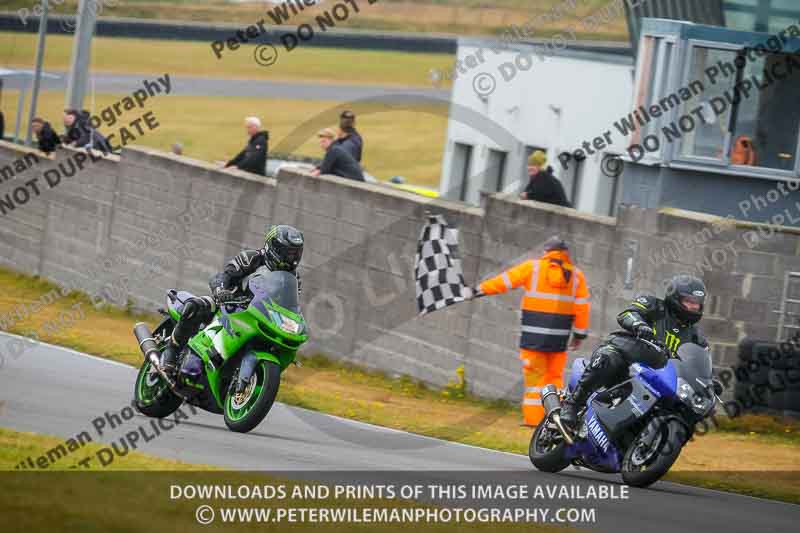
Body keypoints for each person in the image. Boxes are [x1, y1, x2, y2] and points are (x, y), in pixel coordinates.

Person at [560, 275, 709, 428]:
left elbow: (702, 363)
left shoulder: (696, 337)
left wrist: (709, 383)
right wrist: (639, 325)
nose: (693, 307)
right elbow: (627, 314)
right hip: (629, 359)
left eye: (696, 304)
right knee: (609, 358)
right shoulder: (654, 305)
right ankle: (572, 404)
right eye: (688, 301)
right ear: (675, 297)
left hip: (658, 378)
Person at [472, 236, 590, 426]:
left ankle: (535, 421)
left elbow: (504, 281)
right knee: (554, 379)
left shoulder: (533, 268)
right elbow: (582, 306)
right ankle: (554, 420)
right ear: (565, 254)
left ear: (547, 252)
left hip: (533, 337)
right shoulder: (576, 276)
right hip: (558, 340)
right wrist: (579, 335)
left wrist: (479, 289)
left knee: (536, 381)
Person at [160, 224, 304, 376]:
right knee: (196, 306)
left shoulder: (293, 279)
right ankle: (171, 352)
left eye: (296, 254)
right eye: (288, 253)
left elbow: (289, 304)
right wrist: (221, 291)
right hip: (229, 305)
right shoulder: (252, 258)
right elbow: (223, 276)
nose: (292, 258)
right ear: (273, 247)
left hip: (258, 316)